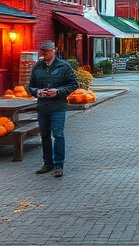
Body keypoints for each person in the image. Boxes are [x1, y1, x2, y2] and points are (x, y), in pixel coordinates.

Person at [28, 40, 78, 177]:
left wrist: (58, 91)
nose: (44, 54)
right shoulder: (38, 67)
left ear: (54, 50)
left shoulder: (64, 66)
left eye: (47, 51)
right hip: (43, 106)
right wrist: (38, 92)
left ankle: (59, 164)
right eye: (42, 51)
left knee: (58, 134)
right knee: (44, 135)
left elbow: (73, 84)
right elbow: (30, 86)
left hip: (58, 106)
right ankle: (47, 162)